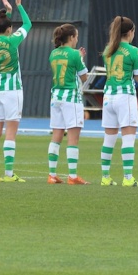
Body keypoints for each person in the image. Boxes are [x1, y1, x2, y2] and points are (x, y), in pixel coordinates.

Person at [99, 16, 138, 187]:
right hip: (125, 97)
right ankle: (128, 177)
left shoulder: (108, 49)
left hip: (108, 97)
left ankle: (105, 177)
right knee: (128, 137)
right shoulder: (134, 51)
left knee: (109, 138)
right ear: (130, 32)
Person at [0, 0, 32, 182]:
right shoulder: (13, 40)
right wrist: (19, 6)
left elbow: (2, 28)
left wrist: (7, 13)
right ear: (10, 28)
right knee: (11, 132)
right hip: (12, 90)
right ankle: (9, 174)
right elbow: (28, 24)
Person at [47, 23, 90, 185]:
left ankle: (52, 174)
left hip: (56, 96)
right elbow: (84, 77)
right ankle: (72, 176)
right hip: (71, 98)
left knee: (56, 135)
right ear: (71, 37)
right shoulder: (74, 54)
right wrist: (80, 58)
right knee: (73, 137)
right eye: (76, 37)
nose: (77, 39)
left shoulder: (53, 54)